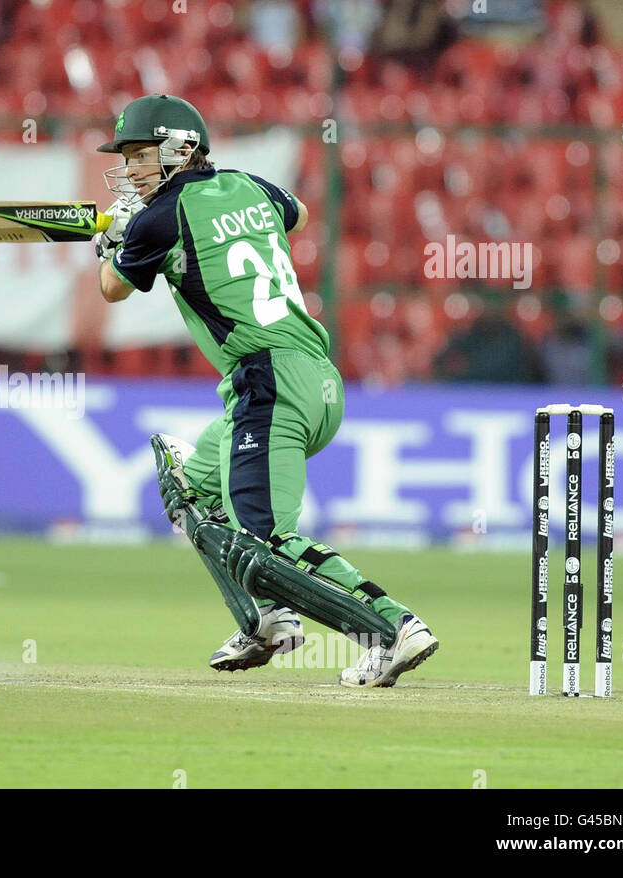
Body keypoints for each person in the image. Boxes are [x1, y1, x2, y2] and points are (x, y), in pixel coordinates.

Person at [92, 94, 438, 688]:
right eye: (128, 158)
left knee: (266, 539)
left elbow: (111, 289)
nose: (132, 171)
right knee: (189, 487)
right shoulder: (251, 185)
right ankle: (266, 620)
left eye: (143, 156)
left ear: (182, 149)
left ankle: (391, 627)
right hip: (312, 377)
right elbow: (297, 212)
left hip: (269, 381)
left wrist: (112, 244)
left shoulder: (160, 217)